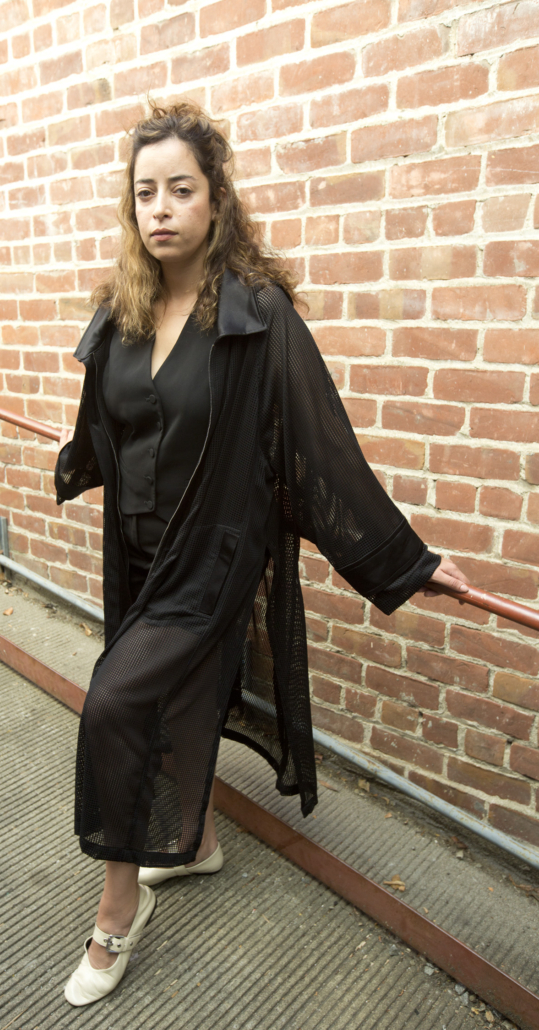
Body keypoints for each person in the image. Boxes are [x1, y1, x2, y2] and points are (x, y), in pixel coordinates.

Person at [53, 99, 470, 1006]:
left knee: (115, 704)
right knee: (177, 697)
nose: (161, 208)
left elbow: (321, 445)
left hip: (213, 552)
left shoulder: (254, 312)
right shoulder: (122, 307)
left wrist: (405, 561)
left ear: (215, 199)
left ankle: (118, 909)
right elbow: (110, 418)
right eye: (144, 193)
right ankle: (194, 842)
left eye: (180, 189)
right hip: (137, 550)